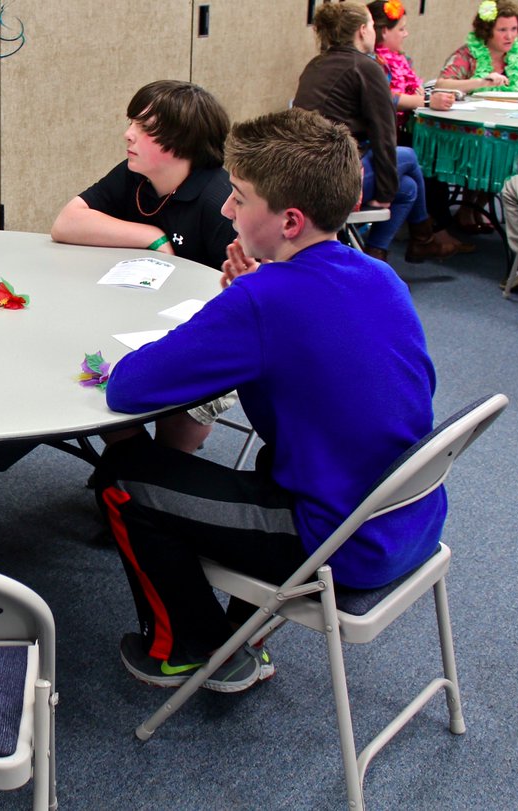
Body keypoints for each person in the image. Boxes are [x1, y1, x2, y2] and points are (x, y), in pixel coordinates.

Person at [94, 107, 444, 693]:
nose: (227, 209)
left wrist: (240, 304)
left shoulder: (263, 299)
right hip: (410, 515)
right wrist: (250, 298)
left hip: (340, 541)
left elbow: (131, 386)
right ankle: (241, 629)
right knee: (266, 461)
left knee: (124, 476)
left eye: (239, 196)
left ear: (289, 221)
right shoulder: (379, 274)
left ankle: (190, 649)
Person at [52, 80, 237, 452]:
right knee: (100, 386)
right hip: (131, 322)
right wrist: (151, 235)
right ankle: (126, 469)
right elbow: (66, 223)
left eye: (144, 128)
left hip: (200, 339)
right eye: (131, 123)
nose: (128, 135)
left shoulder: (220, 201)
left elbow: (240, 302)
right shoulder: (134, 175)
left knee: (177, 433)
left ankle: (149, 480)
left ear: (182, 143)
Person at [294, 1, 467, 263]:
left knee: (407, 187)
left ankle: (384, 251)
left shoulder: (316, 64)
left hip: (301, 174)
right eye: (373, 26)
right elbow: (385, 135)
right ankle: (413, 240)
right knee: (408, 157)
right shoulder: (365, 67)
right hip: (334, 180)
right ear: (363, 30)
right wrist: (384, 196)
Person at [438, 0, 518, 234]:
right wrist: (481, 81)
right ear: (487, 31)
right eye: (502, 30)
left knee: (508, 155)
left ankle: (478, 206)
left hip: (509, 131)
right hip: (473, 132)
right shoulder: (469, 54)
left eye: (513, 29)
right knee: (487, 152)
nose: (510, 36)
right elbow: (442, 83)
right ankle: (468, 208)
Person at [368, 0, 457, 137]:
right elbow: (386, 97)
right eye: (401, 29)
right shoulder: (370, 63)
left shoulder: (403, 61)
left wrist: (419, 93)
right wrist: (428, 101)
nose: (406, 34)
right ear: (385, 31)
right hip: (375, 138)